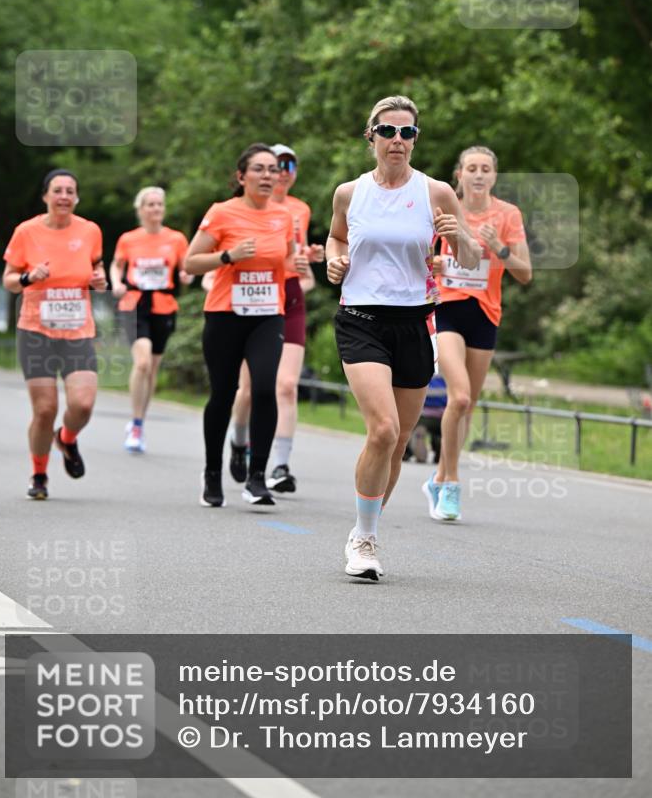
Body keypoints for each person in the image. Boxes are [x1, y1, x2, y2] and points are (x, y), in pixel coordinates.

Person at [326, 96, 480, 580]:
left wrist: (458, 237)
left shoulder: (435, 192)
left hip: (415, 322)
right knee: (384, 429)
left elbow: (472, 260)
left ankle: (361, 529)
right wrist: (334, 259)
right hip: (361, 318)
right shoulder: (349, 193)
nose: (397, 140)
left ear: (416, 139)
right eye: (388, 131)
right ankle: (366, 542)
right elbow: (336, 238)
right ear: (369, 136)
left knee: (397, 445)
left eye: (407, 133)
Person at [185, 143, 306, 508]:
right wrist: (227, 256)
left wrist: (301, 262)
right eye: (259, 169)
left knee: (266, 388)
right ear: (241, 177)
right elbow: (191, 263)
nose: (269, 175)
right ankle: (211, 473)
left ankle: (257, 478)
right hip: (225, 314)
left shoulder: (283, 216)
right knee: (222, 395)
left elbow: (282, 263)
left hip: (268, 314)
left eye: (273, 169)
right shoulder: (222, 213)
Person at [422, 145, 532, 522]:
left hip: (485, 314)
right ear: (460, 174)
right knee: (461, 395)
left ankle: (438, 477)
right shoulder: (441, 207)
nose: (479, 174)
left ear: (494, 176)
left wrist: (499, 246)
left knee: (468, 404)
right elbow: (417, 257)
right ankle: (451, 482)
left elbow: (525, 272)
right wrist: (432, 263)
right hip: (446, 308)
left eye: (486, 168)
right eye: (472, 168)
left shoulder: (507, 215)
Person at [2, 169, 107, 499]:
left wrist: (98, 280)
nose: (64, 196)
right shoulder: (26, 232)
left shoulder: (90, 231)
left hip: (78, 330)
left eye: (70, 191)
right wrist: (29, 277)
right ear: (46, 196)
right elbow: (8, 279)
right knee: (45, 409)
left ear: (76, 197)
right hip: (36, 331)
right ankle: (39, 473)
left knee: (83, 404)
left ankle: (68, 439)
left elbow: (96, 266)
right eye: (57, 190)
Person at [228, 143, 325, 493]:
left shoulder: (301, 209)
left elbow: (294, 254)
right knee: (250, 389)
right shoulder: (245, 209)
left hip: (291, 296)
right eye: (275, 164)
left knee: (286, 386)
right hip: (257, 296)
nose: (283, 171)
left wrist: (309, 259)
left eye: (290, 164)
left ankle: (280, 465)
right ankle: (239, 442)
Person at [110, 187, 193, 452]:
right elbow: (116, 265)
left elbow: (187, 267)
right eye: (150, 205)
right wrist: (116, 283)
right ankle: (135, 424)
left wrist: (186, 277)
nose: (156, 209)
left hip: (164, 305)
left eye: (160, 204)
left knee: (153, 368)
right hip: (134, 304)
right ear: (140, 209)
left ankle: (140, 422)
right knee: (142, 362)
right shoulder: (128, 239)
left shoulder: (176, 239)